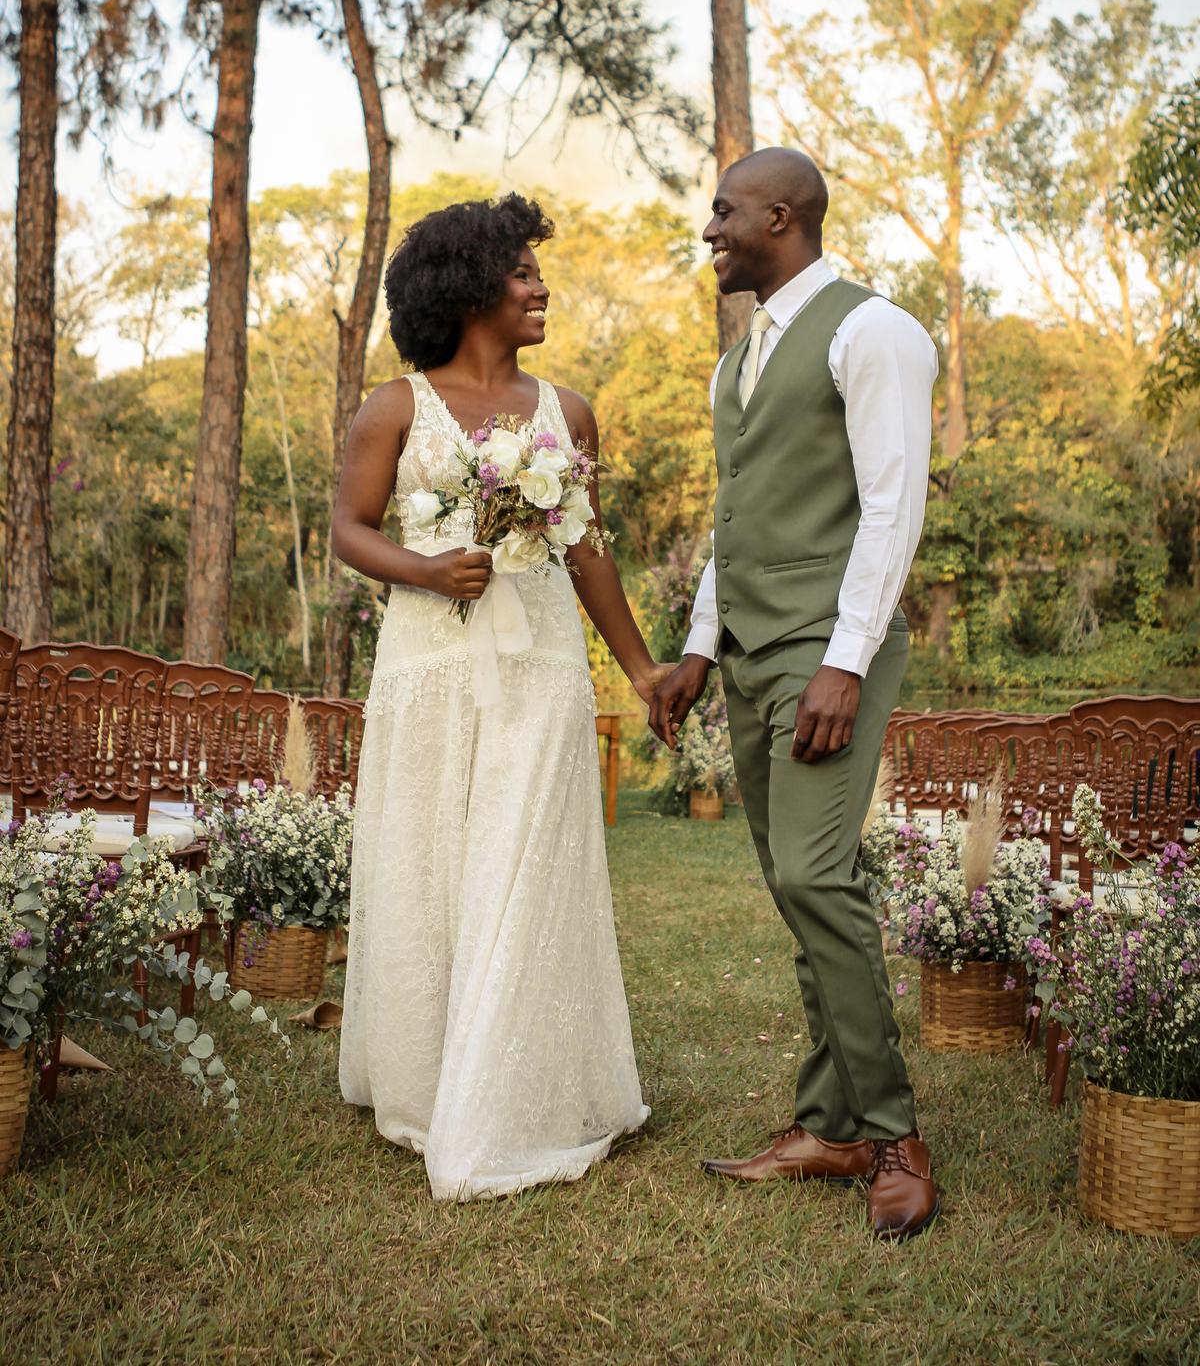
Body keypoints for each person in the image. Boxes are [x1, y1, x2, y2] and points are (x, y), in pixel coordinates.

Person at [333, 192, 664, 1201]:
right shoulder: (395, 407)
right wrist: (426, 570)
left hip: (542, 664)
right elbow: (349, 531)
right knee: (435, 860)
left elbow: (590, 552)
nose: (540, 286)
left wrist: (643, 669)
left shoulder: (567, 413)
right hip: (429, 665)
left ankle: (518, 1085)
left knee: (527, 855)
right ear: (470, 285)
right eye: (521, 271)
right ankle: (431, 1076)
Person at [650, 147, 941, 1242]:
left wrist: (846, 660)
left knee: (818, 875)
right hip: (754, 656)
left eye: (725, 210)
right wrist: (696, 648)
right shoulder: (739, 362)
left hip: (829, 654)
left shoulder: (875, 332)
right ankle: (828, 1123)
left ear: (783, 214)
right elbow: (739, 521)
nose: (712, 226)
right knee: (792, 883)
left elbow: (891, 505)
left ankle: (895, 1134)